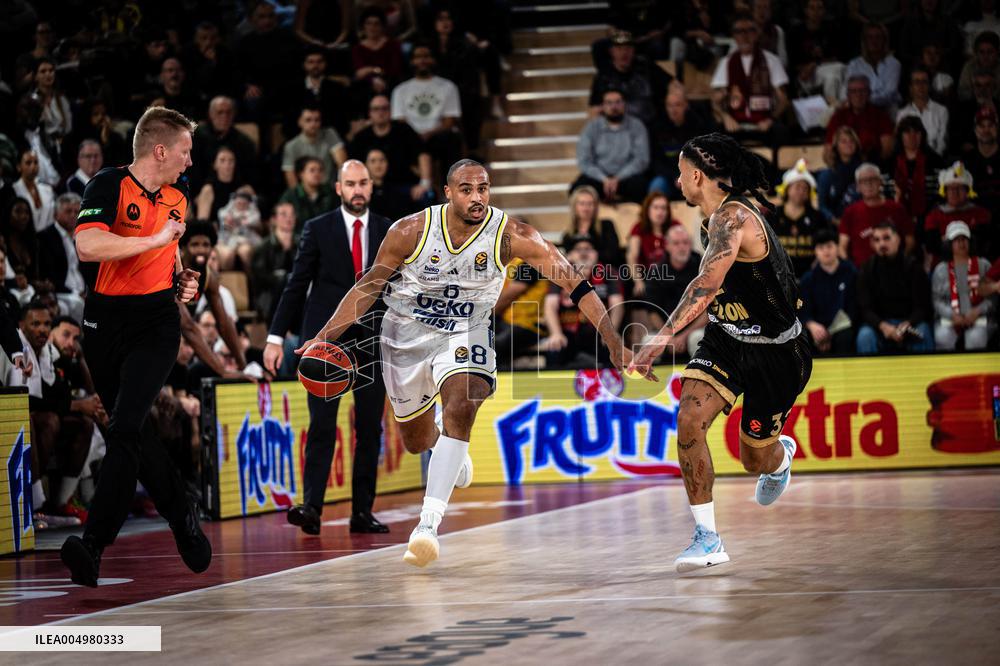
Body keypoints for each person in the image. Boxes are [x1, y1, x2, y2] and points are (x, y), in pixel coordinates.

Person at [298, 159, 636, 567]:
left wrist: (613, 341)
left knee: (462, 403)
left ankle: (427, 524)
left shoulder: (511, 235)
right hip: (404, 336)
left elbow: (573, 282)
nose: (477, 197)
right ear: (447, 192)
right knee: (416, 441)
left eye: (484, 188)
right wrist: (324, 336)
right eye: (466, 189)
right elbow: (367, 286)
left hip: (467, 329)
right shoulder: (410, 231)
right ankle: (445, 443)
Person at [629, 133, 813, 573]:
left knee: (755, 459)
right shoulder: (712, 221)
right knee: (689, 419)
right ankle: (707, 538)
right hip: (727, 339)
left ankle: (780, 457)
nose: (677, 181)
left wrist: (661, 338)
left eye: (680, 173)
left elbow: (705, 285)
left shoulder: (733, 218)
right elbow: (714, 297)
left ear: (697, 175)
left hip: (778, 352)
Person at [59, 106, 209, 589]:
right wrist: (155, 239)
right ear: (160, 150)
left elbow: (171, 251)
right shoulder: (107, 184)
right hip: (104, 322)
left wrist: (182, 276)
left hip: (156, 322)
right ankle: (181, 513)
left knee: (124, 424)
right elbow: (89, 247)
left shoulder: (179, 194)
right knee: (131, 430)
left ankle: (93, 544)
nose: (190, 162)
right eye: (185, 152)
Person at [264, 161, 393, 536]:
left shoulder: (389, 230)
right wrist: (275, 337)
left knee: (369, 430)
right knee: (322, 426)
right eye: (350, 183)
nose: (357, 190)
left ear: (371, 186)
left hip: (372, 341)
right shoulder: (317, 228)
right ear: (338, 188)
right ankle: (311, 508)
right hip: (324, 341)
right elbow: (296, 283)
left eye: (363, 183)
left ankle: (362, 513)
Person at [542, 235, 624, 368]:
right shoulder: (560, 274)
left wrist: (610, 334)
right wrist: (556, 333)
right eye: (578, 249)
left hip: (598, 334)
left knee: (611, 348)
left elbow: (618, 306)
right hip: (568, 335)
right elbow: (550, 306)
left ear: (596, 254)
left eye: (588, 249)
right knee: (554, 348)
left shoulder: (609, 273)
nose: (584, 253)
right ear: (569, 255)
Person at [710, 13, 790, 146]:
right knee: (714, 134)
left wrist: (770, 119)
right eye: (739, 32)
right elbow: (715, 101)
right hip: (736, 124)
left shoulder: (771, 60)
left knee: (781, 133)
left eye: (749, 31)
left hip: (763, 123)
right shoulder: (727, 62)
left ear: (756, 34)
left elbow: (783, 100)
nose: (744, 36)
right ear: (734, 36)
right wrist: (725, 117)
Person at [856, 221, 934, 354]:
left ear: (898, 239)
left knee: (924, 331)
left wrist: (908, 323)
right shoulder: (866, 269)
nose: (882, 244)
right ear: (873, 244)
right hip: (880, 325)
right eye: (877, 240)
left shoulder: (914, 267)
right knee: (865, 336)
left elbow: (923, 306)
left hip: (910, 324)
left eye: (887, 238)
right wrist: (884, 327)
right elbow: (865, 309)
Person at [572, 88, 650, 204]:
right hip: (599, 178)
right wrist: (604, 179)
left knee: (640, 187)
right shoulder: (591, 128)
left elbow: (641, 159)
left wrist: (618, 178)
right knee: (577, 189)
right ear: (603, 106)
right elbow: (584, 161)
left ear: (624, 104)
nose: (614, 107)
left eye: (618, 102)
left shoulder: (637, 126)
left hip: (627, 177)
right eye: (609, 103)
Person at [931, 221, 994, 350]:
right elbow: (936, 300)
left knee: (976, 338)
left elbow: (992, 297)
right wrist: (951, 314)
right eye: (956, 240)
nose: (961, 243)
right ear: (949, 244)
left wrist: (978, 311)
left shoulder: (984, 265)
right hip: (949, 319)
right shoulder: (941, 269)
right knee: (943, 337)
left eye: (964, 239)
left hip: (979, 317)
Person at [838, 163, 912, 268]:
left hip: (894, 271)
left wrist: (901, 263)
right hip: (861, 274)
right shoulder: (850, 212)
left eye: (873, 179)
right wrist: (852, 271)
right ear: (857, 187)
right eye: (864, 181)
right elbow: (842, 247)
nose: (869, 184)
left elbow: (910, 241)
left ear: (880, 182)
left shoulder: (896, 208)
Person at [799, 228, 857, 355]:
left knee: (845, 337)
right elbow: (802, 311)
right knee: (803, 338)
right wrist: (811, 324)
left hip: (843, 327)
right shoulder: (808, 279)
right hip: (817, 328)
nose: (826, 251)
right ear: (815, 251)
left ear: (837, 247)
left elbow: (854, 308)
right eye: (821, 247)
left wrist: (831, 333)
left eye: (829, 246)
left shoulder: (851, 272)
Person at [773, 159, 831, 278]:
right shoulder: (772, 215)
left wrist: (814, 272)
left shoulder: (818, 217)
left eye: (805, 189)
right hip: (779, 277)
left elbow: (827, 244)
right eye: (797, 187)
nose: (801, 191)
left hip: (811, 276)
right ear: (787, 188)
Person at [924, 161, 993, 261]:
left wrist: (947, 240)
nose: (954, 192)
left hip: (975, 263)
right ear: (945, 191)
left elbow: (984, 244)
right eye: (950, 188)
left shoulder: (980, 214)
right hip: (943, 265)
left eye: (959, 188)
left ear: (967, 191)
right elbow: (931, 246)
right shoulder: (934, 215)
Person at [37, 193, 86, 323]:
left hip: (80, 291)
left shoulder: (80, 237)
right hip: (61, 292)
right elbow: (49, 273)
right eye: (68, 211)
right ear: (56, 214)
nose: (73, 215)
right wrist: (76, 292)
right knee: (77, 303)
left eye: (76, 211)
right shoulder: (46, 237)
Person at [825, 76, 894, 164]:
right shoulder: (838, 117)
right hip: (844, 165)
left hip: (872, 165)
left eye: (862, 91)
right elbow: (828, 150)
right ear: (848, 95)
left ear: (869, 93)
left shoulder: (880, 116)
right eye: (853, 91)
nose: (858, 95)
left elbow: (887, 149)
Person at [282, 107, 347, 189]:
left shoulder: (329, 134)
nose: (313, 124)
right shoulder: (291, 146)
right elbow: (291, 178)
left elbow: (342, 164)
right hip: (306, 192)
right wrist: (299, 198)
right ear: (299, 122)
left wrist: (340, 189)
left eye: (317, 120)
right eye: (308, 120)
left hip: (330, 189)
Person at [842, 23, 901, 111]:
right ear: (864, 41)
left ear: (884, 40)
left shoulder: (893, 64)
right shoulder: (854, 64)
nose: (874, 41)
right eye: (870, 37)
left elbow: (889, 94)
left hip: (886, 110)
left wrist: (860, 98)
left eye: (878, 37)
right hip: (858, 109)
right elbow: (846, 91)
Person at [562, 185, 623, 268]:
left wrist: (593, 255)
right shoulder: (568, 234)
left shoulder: (606, 225)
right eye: (582, 203)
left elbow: (613, 254)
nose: (586, 208)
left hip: (603, 273)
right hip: (577, 275)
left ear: (596, 206)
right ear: (575, 207)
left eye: (590, 203)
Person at [896, 66, 950, 157]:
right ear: (911, 87)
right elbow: (900, 143)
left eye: (924, 82)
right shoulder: (902, 113)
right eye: (917, 82)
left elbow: (942, 142)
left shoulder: (941, 111)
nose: (921, 86)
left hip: (934, 160)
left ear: (929, 86)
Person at [278, 157, 337, 231]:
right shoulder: (291, 195)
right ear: (301, 174)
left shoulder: (330, 193)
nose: (317, 173)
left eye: (320, 170)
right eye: (312, 170)